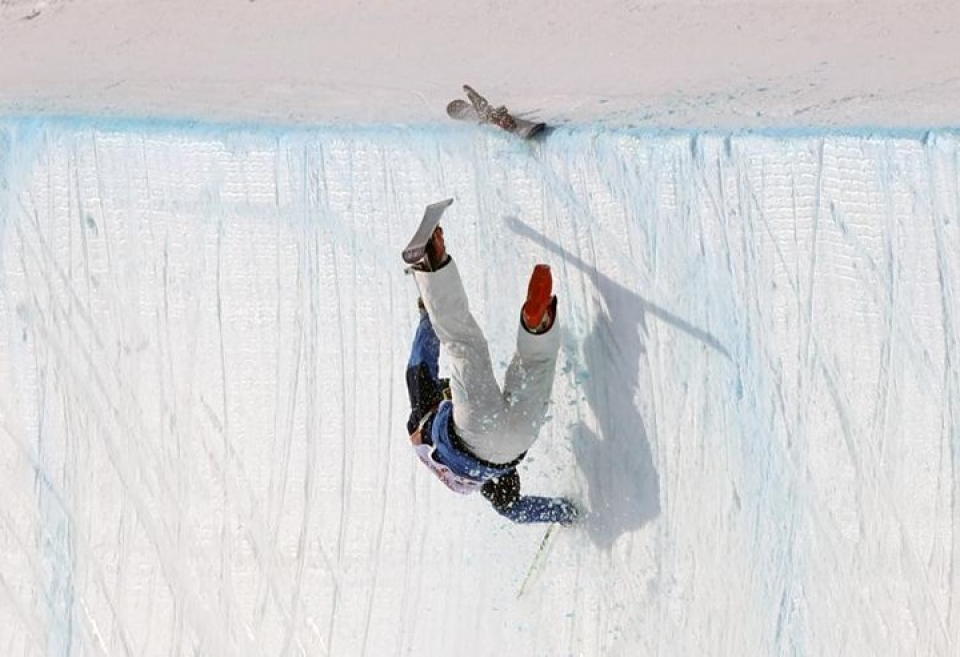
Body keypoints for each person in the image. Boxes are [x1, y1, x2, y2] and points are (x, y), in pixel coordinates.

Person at [404, 223, 579, 525]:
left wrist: (561, 511)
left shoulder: (477, 482)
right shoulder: (419, 425)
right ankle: (430, 263)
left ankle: (537, 325)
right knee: (463, 343)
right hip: (472, 432)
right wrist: (427, 313)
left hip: (517, 443)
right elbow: (420, 363)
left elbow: (513, 509)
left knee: (537, 363)